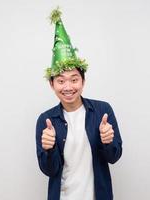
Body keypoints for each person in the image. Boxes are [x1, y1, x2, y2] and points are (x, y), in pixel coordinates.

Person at [36, 8, 122, 200]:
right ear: (52, 84)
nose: (68, 86)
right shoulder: (46, 120)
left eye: (74, 79)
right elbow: (50, 170)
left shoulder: (102, 111)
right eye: (60, 80)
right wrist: (48, 149)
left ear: (83, 81)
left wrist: (108, 142)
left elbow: (114, 157)